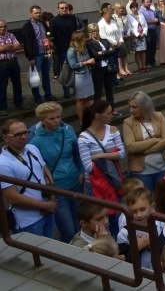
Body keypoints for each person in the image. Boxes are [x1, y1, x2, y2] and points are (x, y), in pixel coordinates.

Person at [28, 102, 83, 241]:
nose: (56, 121)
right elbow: (36, 167)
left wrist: (82, 170)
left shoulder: (68, 131)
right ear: (42, 120)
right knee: (68, 230)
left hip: (75, 182)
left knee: (79, 224)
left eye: (58, 117)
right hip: (56, 187)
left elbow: (77, 153)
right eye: (51, 118)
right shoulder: (35, 141)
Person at [1, 118, 57, 237]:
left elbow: (46, 173)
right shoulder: (3, 163)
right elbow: (12, 197)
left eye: (25, 132)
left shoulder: (32, 148)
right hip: (28, 221)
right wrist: (46, 205)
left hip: (47, 211)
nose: (23, 137)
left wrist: (51, 199)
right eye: (18, 135)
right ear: (6, 138)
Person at [78, 100, 125, 236]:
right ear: (98, 116)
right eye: (109, 113)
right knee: (101, 218)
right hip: (96, 185)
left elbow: (122, 154)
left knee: (116, 217)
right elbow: (88, 167)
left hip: (114, 180)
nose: (112, 115)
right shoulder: (83, 138)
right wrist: (111, 156)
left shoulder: (113, 130)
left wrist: (99, 156)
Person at [122, 91, 165, 191]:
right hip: (141, 172)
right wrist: (155, 140)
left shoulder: (159, 116)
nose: (131, 110)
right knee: (144, 198)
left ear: (144, 106)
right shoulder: (128, 122)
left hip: (162, 168)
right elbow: (132, 147)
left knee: (163, 197)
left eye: (134, 107)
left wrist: (142, 150)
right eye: (130, 107)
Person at [20, 5, 54, 104]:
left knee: (46, 76)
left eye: (39, 13)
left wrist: (49, 42)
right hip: (36, 55)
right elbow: (27, 43)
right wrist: (30, 57)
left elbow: (48, 35)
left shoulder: (43, 23)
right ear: (31, 13)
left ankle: (48, 95)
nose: (38, 15)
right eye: (36, 13)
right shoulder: (27, 27)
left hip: (46, 53)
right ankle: (37, 97)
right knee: (35, 77)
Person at [50, 1, 82, 98]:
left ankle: (76, 89)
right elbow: (52, 36)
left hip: (74, 47)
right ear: (58, 9)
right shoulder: (54, 20)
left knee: (76, 68)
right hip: (61, 49)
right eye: (62, 8)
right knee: (65, 70)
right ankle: (66, 90)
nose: (64, 9)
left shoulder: (72, 18)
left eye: (65, 8)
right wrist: (54, 48)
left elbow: (75, 32)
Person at [86, 23, 117, 109]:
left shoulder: (105, 41)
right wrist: (107, 52)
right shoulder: (89, 44)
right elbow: (95, 56)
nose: (95, 33)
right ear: (90, 33)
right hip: (97, 69)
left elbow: (112, 51)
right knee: (98, 90)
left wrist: (102, 52)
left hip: (108, 67)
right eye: (93, 32)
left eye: (96, 31)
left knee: (109, 90)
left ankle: (111, 109)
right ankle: (97, 110)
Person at [0, 20, 24, 115]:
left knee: (17, 84)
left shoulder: (11, 35)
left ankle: (19, 103)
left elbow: (18, 46)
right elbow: (0, 49)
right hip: (2, 64)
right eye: (0, 27)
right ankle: (3, 107)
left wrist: (4, 47)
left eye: (4, 26)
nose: (3, 28)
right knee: (2, 86)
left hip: (13, 62)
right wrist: (10, 46)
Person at [127, 1, 148, 72]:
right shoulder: (128, 16)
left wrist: (144, 33)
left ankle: (144, 66)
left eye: (136, 7)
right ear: (131, 8)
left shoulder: (141, 14)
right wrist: (137, 34)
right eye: (133, 8)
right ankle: (139, 67)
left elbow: (145, 24)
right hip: (135, 36)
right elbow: (130, 27)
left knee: (143, 51)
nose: (135, 9)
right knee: (138, 52)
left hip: (142, 35)